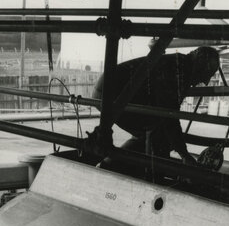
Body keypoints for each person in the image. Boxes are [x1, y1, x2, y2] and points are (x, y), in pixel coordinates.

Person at [92, 46, 221, 165]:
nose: (204, 81)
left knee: (153, 132)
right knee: (157, 131)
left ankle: (112, 166)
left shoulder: (179, 63)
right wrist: (184, 155)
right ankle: (149, 174)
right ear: (199, 65)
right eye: (205, 74)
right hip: (112, 94)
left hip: (107, 89)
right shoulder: (179, 70)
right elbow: (169, 115)